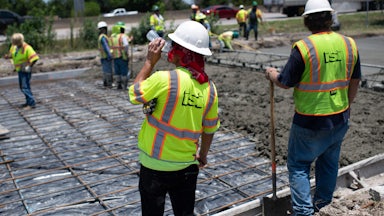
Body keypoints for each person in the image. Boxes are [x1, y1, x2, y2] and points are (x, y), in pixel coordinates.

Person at [264, 0, 361, 214]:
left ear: (307, 20)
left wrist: (272, 74)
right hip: (340, 117)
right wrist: (346, 105)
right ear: (329, 18)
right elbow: (355, 80)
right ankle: (323, 206)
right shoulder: (349, 44)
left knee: (299, 165)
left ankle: (304, 212)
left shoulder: (304, 47)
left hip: (309, 121)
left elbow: (285, 81)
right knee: (328, 162)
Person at [128, 20, 220, 216]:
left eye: (175, 46)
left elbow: (134, 94)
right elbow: (210, 128)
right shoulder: (209, 89)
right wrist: (202, 155)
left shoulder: (164, 79)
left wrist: (149, 63)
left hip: (154, 165)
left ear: (182, 53)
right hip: (187, 167)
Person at [4, 33, 39, 110]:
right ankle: (28, 102)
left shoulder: (27, 48)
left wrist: (29, 66)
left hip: (25, 69)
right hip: (20, 70)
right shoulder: (14, 47)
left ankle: (31, 103)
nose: (14, 44)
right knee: (23, 86)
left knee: (25, 86)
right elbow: (13, 55)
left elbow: (35, 58)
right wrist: (8, 56)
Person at [110, 21, 130, 90]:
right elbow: (126, 45)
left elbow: (111, 47)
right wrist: (126, 53)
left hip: (115, 57)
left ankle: (118, 85)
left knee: (117, 71)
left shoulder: (113, 36)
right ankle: (124, 86)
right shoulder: (123, 36)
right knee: (124, 71)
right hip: (122, 56)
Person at [97, 21, 113, 88]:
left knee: (105, 70)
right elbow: (106, 47)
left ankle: (106, 83)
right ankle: (108, 83)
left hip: (103, 56)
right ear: (104, 29)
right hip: (106, 57)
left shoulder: (100, 37)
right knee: (108, 70)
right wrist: (110, 55)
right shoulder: (103, 37)